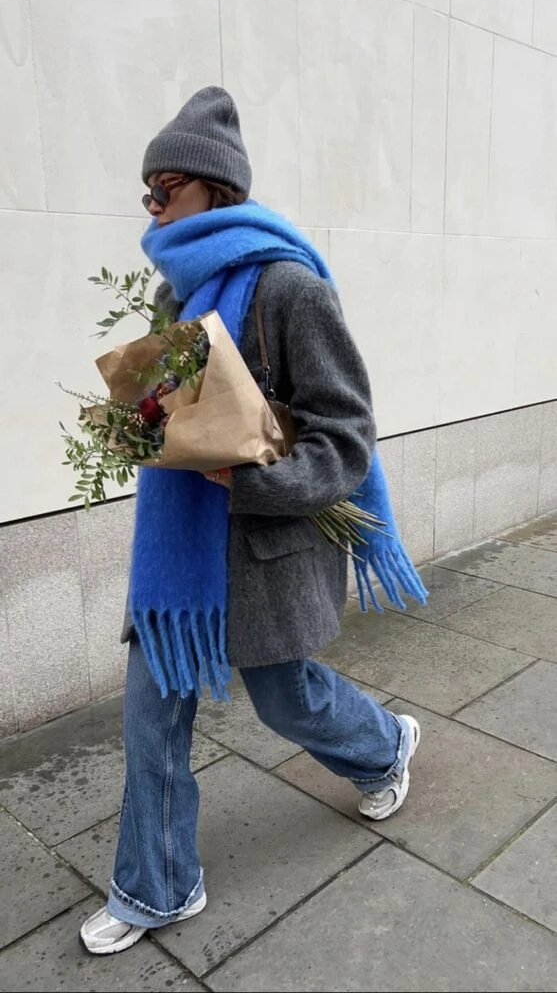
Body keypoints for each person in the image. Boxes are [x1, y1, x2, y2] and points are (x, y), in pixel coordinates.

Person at [80, 86, 426, 955]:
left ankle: (382, 747)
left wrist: (248, 475)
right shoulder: (173, 296)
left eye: (166, 187)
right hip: (179, 559)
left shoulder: (288, 287)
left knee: (287, 700)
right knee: (151, 715)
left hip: (265, 544)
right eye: (146, 193)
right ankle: (156, 886)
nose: (153, 207)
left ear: (212, 187)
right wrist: (143, 427)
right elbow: (185, 409)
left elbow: (346, 440)